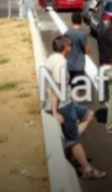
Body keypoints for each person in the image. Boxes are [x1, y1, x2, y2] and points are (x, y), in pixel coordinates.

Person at [43, 35, 105, 180]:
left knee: (88, 114)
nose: (71, 46)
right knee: (74, 140)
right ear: (65, 48)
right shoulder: (60, 64)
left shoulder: (53, 58)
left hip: (67, 101)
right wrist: (55, 112)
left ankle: (69, 144)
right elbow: (55, 90)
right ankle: (87, 169)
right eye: (70, 44)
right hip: (63, 106)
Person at [65, 11, 89, 100]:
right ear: (81, 21)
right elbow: (87, 50)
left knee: (71, 86)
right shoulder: (82, 34)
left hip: (69, 64)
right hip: (79, 64)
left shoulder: (66, 33)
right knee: (78, 87)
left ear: (72, 20)